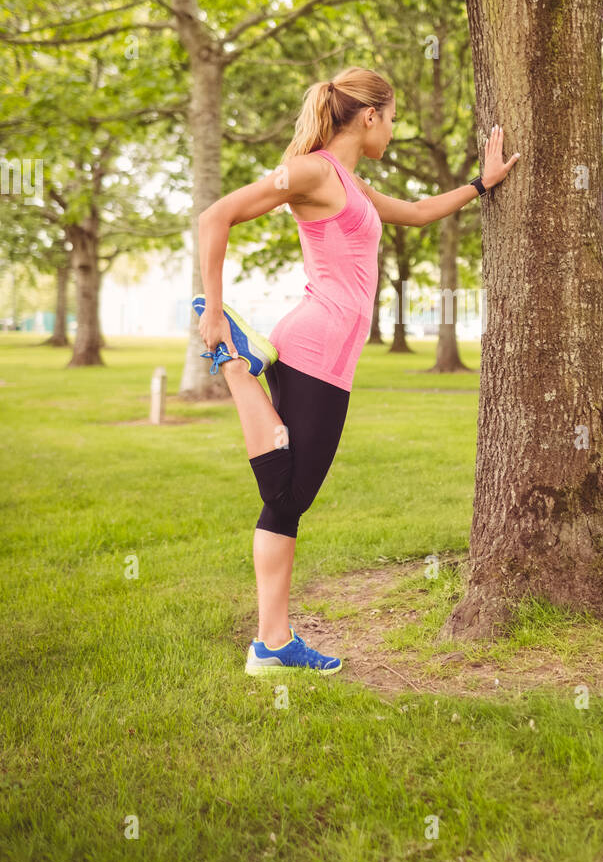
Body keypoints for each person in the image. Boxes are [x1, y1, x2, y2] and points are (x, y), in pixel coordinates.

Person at [194, 66, 519, 676]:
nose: (393, 129)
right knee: (285, 496)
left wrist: (483, 183)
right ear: (369, 115)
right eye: (392, 117)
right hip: (315, 347)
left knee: (287, 498)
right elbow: (216, 216)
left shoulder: (350, 181)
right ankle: (236, 365)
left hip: (328, 356)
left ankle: (273, 642)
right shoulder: (313, 170)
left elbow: (420, 213)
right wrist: (212, 307)